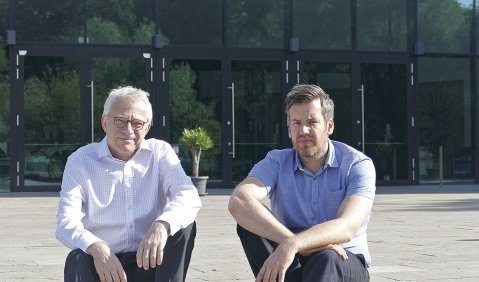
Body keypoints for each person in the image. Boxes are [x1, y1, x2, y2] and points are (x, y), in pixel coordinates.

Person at [228, 84, 375, 282]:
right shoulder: (276, 162)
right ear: (289, 130)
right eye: (296, 123)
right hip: (293, 258)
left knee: (326, 257)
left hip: (343, 260)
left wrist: (295, 244)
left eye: (312, 122)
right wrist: (292, 243)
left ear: (329, 126)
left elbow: (346, 226)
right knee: (249, 224)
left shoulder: (357, 165)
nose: (303, 130)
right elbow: (239, 201)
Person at [56, 86, 202, 282]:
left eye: (137, 123)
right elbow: (66, 223)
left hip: (149, 261)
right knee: (77, 257)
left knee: (182, 226)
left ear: (148, 127)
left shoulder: (160, 153)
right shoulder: (81, 161)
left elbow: (188, 195)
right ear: (105, 122)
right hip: (104, 265)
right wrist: (97, 247)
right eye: (120, 121)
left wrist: (161, 225)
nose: (129, 130)